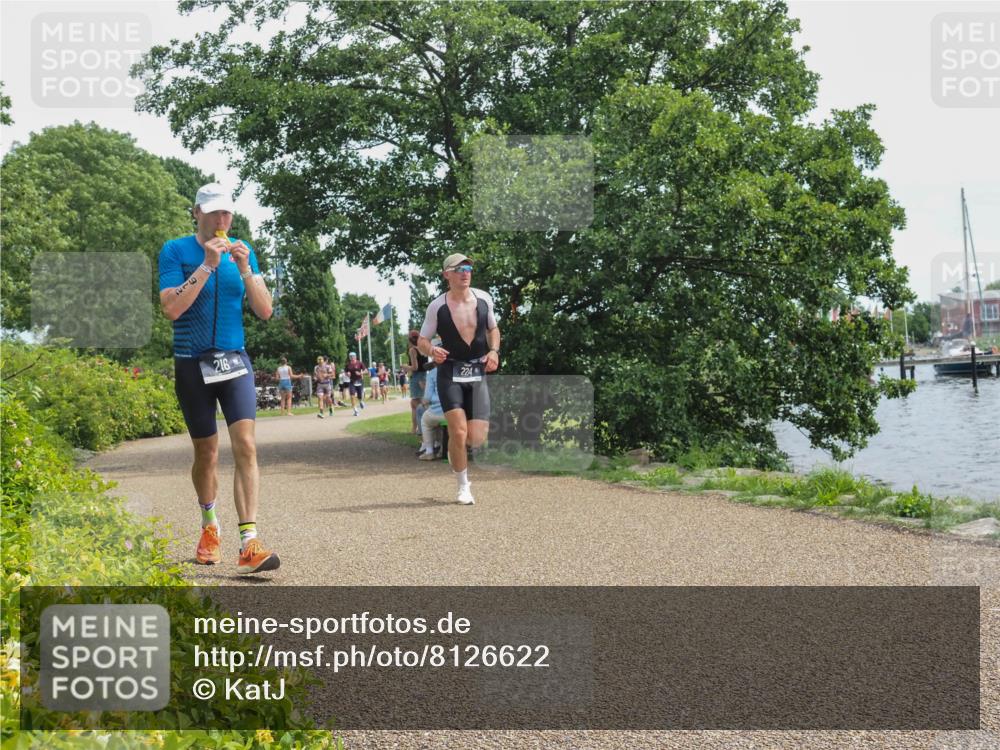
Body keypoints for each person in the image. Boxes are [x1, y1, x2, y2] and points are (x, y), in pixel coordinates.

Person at [158, 182, 279, 574]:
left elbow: (265, 311)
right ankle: (210, 525)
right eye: (213, 212)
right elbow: (171, 308)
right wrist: (207, 264)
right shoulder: (175, 250)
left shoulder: (244, 250)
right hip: (192, 363)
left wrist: (245, 269)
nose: (221, 219)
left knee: (246, 445)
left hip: (234, 361)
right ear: (197, 213)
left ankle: (249, 542)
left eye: (226, 212)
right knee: (206, 452)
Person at [418, 254, 500, 505]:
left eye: (468, 268)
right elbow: (422, 341)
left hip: (477, 371)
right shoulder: (437, 306)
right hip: (450, 372)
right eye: (459, 269)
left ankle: (455, 446)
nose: (465, 273)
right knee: (458, 431)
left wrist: (494, 351)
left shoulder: (484, 298)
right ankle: (463, 486)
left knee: (475, 438)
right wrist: (432, 350)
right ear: (447, 274)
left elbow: (493, 329)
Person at [418, 342, 445, 460]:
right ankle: (443, 448)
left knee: (425, 420)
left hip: (439, 411)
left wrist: (424, 402)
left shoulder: (432, 374)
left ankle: (429, 451)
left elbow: (428, 397)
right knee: (442, 425)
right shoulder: (455, 370)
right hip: (456, 411)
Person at [406, 330, 430, 435]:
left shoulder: (412, 350)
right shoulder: (423, 348)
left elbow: (415, 367)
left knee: (415, 405)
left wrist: (405, 367)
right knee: (422, 403)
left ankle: (417, 429)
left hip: (416, 377)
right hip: (424, 376)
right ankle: (421, 428)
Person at [345, 351, 367, 416]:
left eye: (353, 356)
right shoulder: (348, 365)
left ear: (355, 357)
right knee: (352, 396)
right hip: (352, 382)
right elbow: (346, 372)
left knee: (359, 396)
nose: (352, 358)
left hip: (359, 381)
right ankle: (356, 411)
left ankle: (361, 401)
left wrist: (360, 373)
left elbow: (366, 371)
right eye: (350, 357)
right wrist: (347, 374)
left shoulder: (360, 363)